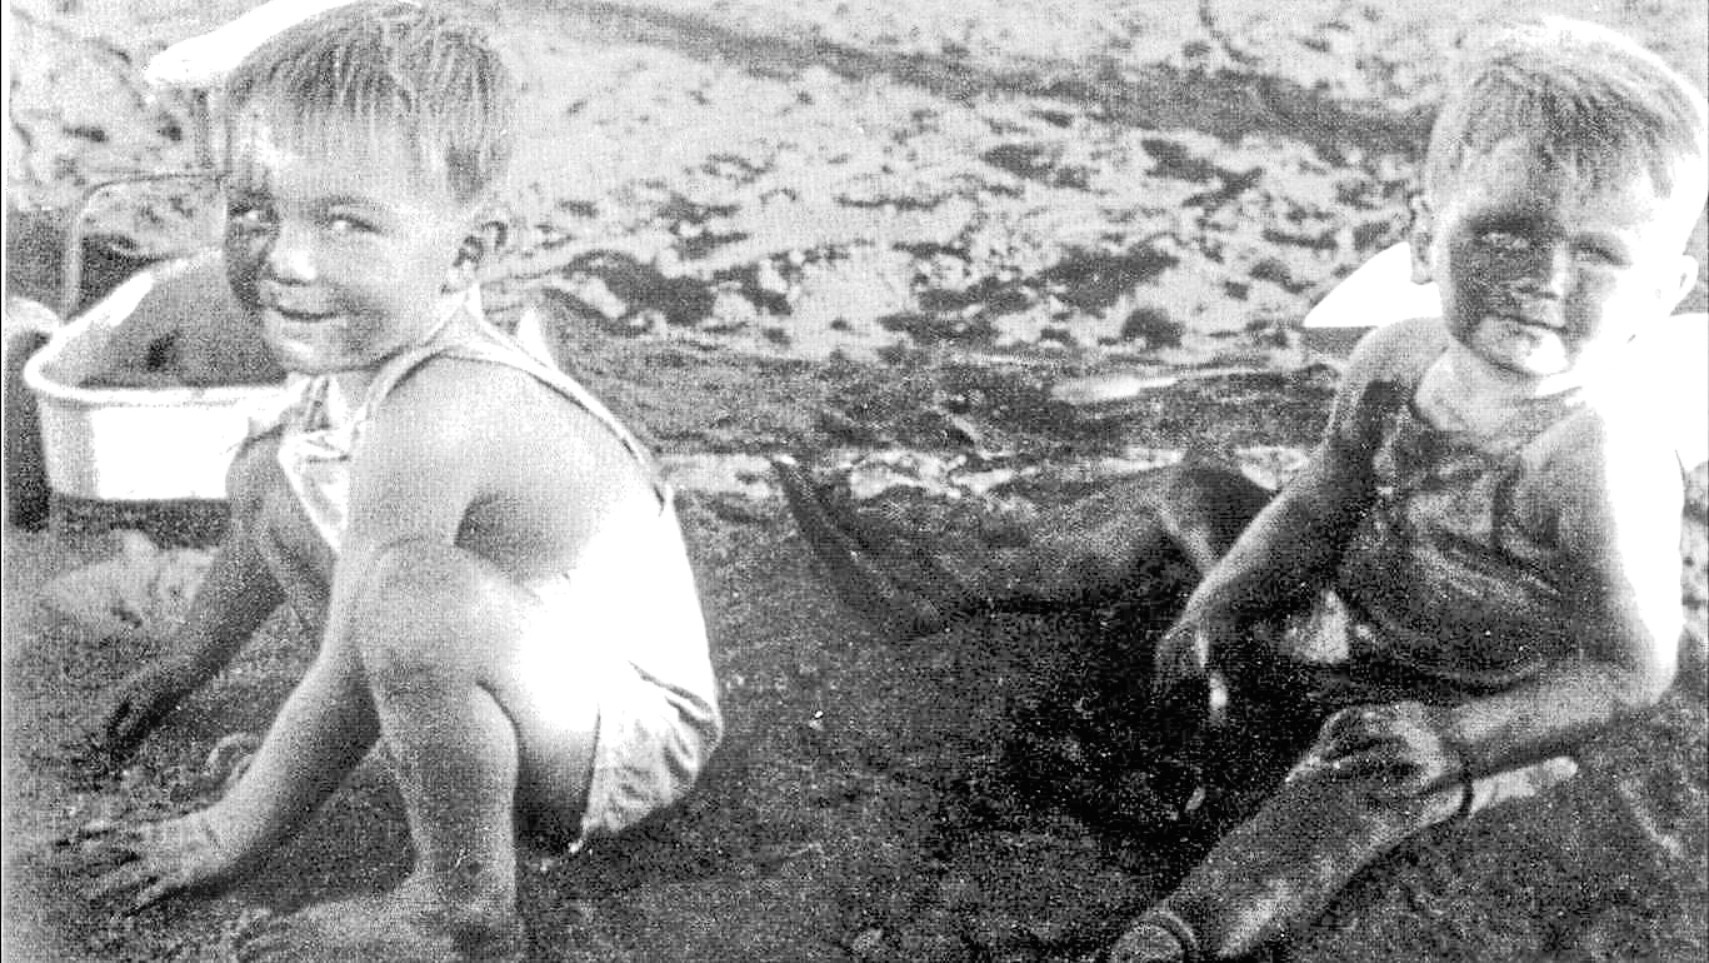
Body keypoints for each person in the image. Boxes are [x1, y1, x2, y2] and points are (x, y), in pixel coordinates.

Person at [778, 16, 1706, 962]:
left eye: (1596, 255)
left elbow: (1632, 669)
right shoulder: (1394, 357)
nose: (1542, 279)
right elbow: (1317, 502)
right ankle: (950, 579)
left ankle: (1178, 934)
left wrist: (1457, 741)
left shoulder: (1600, 457)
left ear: (1663, 292)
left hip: (1455, 696)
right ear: (1425, 236)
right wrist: (1222, 597)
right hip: (1334, 616)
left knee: (1350, 791)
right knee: (1188, 489)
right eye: (1505, 232)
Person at [75, 4, 722, 959]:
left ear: (465, 254)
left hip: (620, 728)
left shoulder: (445, 405)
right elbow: (269, 514)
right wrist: (188, 664)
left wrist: (236, 826)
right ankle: (432, 751)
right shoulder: (366, 345)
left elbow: (352, 655)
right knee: (272, 470)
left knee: (410, 602)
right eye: (255, 210)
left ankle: (458, 909)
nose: (286, 260)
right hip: (525, 662)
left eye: (346, 222)